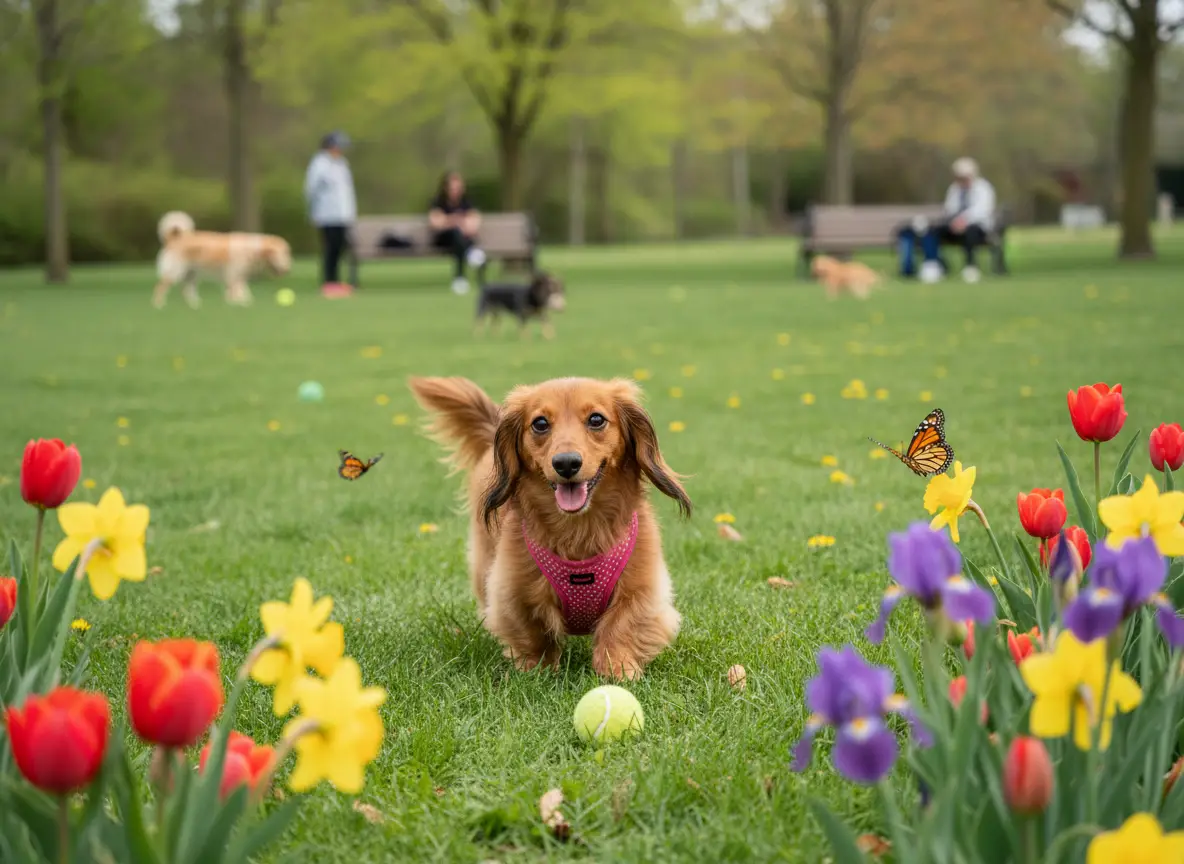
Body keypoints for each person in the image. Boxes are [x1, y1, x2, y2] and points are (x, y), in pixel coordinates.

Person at [924, 157, 996, 284]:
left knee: (970, 231)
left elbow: (982, 210)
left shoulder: (983, 188)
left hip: (978, 227)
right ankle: (933, 264)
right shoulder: (954, 189)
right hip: (955, 226)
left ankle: (970, 267)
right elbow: (949, 208)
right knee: (933, 231)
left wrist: (964, 220)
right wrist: (954, 221)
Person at [304, 131, 357, 296]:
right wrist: (313, 211)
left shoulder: (342, 163)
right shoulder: (319, 164)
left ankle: (337, 281)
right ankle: (329, 282)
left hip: (343, 214)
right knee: (331, 248)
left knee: (340, 248)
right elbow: (310, 190)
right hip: (326, 214)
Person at [429, 171, 486, 295]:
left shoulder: (466, 202)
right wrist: (456, 221)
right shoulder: (438, 202)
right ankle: (470, 255)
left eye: (458, 188)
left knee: (460, 237)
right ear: (446, 188)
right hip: (443, 239)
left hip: (461, 239)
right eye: (452, 188)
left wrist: (457, 222)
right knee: (456, 233)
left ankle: (460, 278)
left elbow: (474, 222)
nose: (455, 191)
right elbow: (436, 223)